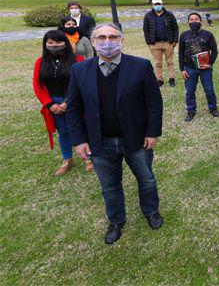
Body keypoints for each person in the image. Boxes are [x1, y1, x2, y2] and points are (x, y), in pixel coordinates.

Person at [66, 24, 164, 245]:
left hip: (136, 139)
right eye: (101, 37)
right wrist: (79, 140)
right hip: (99, 141)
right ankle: (116, 220)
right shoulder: (79, 70)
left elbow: (154, 102)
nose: (107, 41)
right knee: (110, 185)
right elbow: (73, 108)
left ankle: (151, 211)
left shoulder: (140, 66)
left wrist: (152, 132)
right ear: (93, 42)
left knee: (146, 179)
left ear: (121, 40)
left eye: (112, 37)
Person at [32, 30, 89, 176]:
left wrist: (68, 102)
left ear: (65, 43)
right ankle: (67, 159)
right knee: (63, 132)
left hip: (74, 101)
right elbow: (37, 85)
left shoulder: (78, 59)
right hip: (53, 103)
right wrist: (49, 104)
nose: (54, 45)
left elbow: (83, 83)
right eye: (50, 43)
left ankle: (88, 157)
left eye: (58, 42)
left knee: (81, 127)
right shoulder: (40, 61)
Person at [179, 12, 219, 121]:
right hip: (190, 68)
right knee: (190, 91)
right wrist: (182, 69)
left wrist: (210, 64)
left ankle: (213, 108)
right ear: (188, 22)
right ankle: (191, 111)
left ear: (200, 21)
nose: (194, 21)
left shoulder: (208, 35)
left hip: (205, 68)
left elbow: (215, 51)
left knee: (209, 90)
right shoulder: (183, 35)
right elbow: (180, 53)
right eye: (191, 20)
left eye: (196, 19)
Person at [143, 0, 179, 87]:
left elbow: (175, 28)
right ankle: (159, 79)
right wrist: (149, 43)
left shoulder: (169, 15)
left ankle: (171, 78)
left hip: (168, 43)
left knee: (170, 61)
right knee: (158, 63)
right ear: (152, 5)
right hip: (155, 44)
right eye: (155, 4)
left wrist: (175, 40)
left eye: (159, 4)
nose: (157, 6)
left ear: (162, 4)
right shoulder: (148, 16)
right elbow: (145, 30)